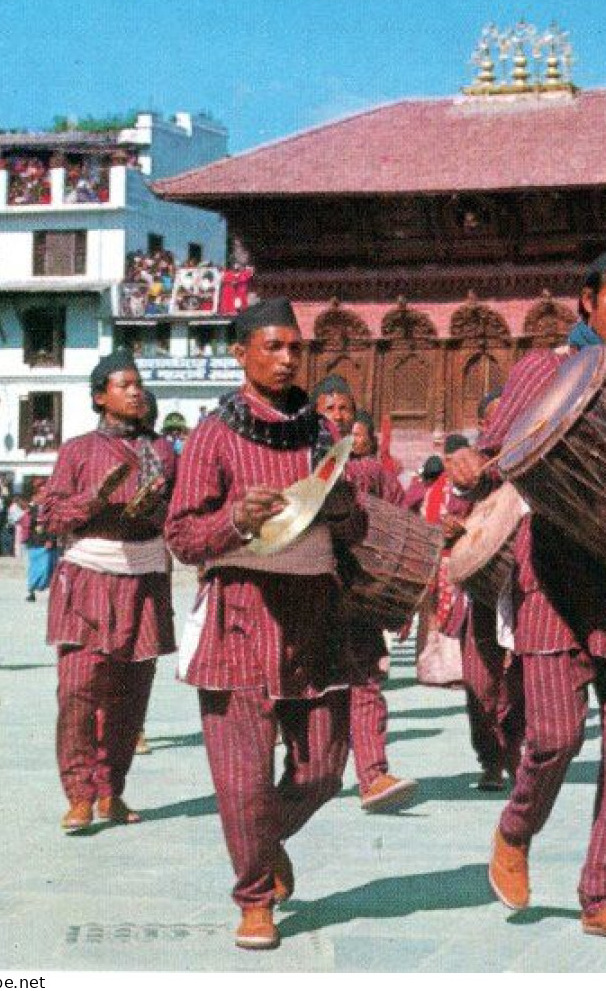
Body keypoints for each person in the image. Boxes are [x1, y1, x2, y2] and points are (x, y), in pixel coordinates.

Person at [447, 242, 606, 945]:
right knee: (553, 735)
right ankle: (516, 827)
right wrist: (468, 463)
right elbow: (493, 457)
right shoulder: (540, 369)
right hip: (550, 570)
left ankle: (601, 890)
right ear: (587, 300)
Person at [165, 297, 368, 949]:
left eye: (293, 348)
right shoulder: (212, 434)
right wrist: (235, 520)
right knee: (241, 773)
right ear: (240, 352)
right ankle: (254, 897)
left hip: (314, 617)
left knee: (323, 768)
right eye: (271, 346)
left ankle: (262, 837)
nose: (286, 358)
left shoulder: (320, 436)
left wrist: (340, 507)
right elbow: (180, 535)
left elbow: (354, 526)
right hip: (241, 613)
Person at [39, 352, 177, 832]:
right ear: (100, 396)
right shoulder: (78, 450)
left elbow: (179, 516)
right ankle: (79, 794)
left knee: (131, 697)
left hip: (145, 577)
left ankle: (110, 791)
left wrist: (155, 508)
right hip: (89, 577)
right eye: (124, 385)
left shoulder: (162, 451)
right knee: (78, 689)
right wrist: (97, 497)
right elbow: (51, 518)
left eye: (139, 384)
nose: (135, 392)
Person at [317, 381, 418, 814]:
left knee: (365, 681)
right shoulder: (303, 462)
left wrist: (404, 595)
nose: (339, 415)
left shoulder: (373, 472)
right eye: (330, 407)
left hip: (359, 591)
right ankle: (307, 776)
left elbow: (403, 527)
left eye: (346, 409)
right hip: (309, 590)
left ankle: (373, 775)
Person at [444, 392, 526, 790]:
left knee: (524, 682)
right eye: (498, 422)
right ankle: (490, 759)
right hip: (482, 593)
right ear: (484, 427)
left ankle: (514, 751)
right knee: (480, 682)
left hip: (529, 588)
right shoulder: (469, 469)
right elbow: (452, 516)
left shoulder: (532, 458)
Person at [23, 500, 58, 602]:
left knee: (47, 569)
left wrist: (51, 540)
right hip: (35, 544)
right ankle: (31, 591)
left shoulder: (52, 509)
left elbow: (54, 527)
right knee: (34, 569)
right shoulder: (32, 510)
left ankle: (52, 592)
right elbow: (29, 527)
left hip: (47, 544)